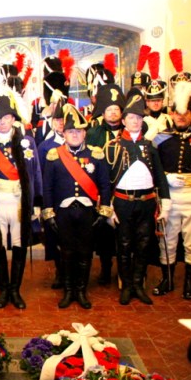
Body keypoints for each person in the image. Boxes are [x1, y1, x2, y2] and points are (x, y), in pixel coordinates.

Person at [0, 88, 42, 309]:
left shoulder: (27, 142)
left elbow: (36, 173)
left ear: (13, 119)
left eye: (6, 117)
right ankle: (3, 289)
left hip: (20, 200)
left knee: (20, 243)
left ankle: (15, 290)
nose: (3, 122)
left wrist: (37, 201)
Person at [42, 104, 112, 309]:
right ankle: (68, 290)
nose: (75, 135)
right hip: (63, 213)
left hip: (87, 212)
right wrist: (49, 213)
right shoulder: (54, 156)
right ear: (63, 133)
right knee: (66, 252)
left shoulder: (96, 155)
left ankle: (81, 291)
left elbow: (104, 186)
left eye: (79, 131)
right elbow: (47, 187)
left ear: (84, 133)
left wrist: (104, 211)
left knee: (85, 252)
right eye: (71, 131)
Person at [104, 92, 171, 305]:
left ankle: (138, 285)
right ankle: (126, 286)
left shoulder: (150, 147)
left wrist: (165, 204)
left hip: (147, 202)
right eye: (131, 117)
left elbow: (160, 177)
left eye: (139, 118)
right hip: (123, 202)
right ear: (123, 121)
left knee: (143, 245)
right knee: (123, 245)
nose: (135, 121)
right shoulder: (113, 146)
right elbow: (106, 181)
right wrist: (108, 208)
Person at [150, 80, 191, 300]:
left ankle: (190, 283)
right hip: (169, 196)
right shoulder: (161, 138)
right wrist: (167, 178)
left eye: (185, 113)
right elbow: (153, 167)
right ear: (172, 114)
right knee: (167, 240)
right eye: (177, 113)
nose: (181, 117)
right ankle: (167, 280)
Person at [86, 83, 126, 286]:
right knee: (104, 233)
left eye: (116, 109)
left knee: (124, 231)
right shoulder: (94, 133)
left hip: (124, 189)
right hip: (102, 189)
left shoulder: (129, 131)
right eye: (109, 109)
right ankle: (105, 267)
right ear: (103, 112)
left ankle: (124, 270)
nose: (113, 113)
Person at [37, 102, 66, 290]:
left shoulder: (77, 142)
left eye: (64, 120)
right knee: (55, 237)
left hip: (73, 197)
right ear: (52, 122)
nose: (61, 124)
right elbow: (39, 174)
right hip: (53, 199)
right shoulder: (45, 146)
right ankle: (59, 271)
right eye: (57, 120)